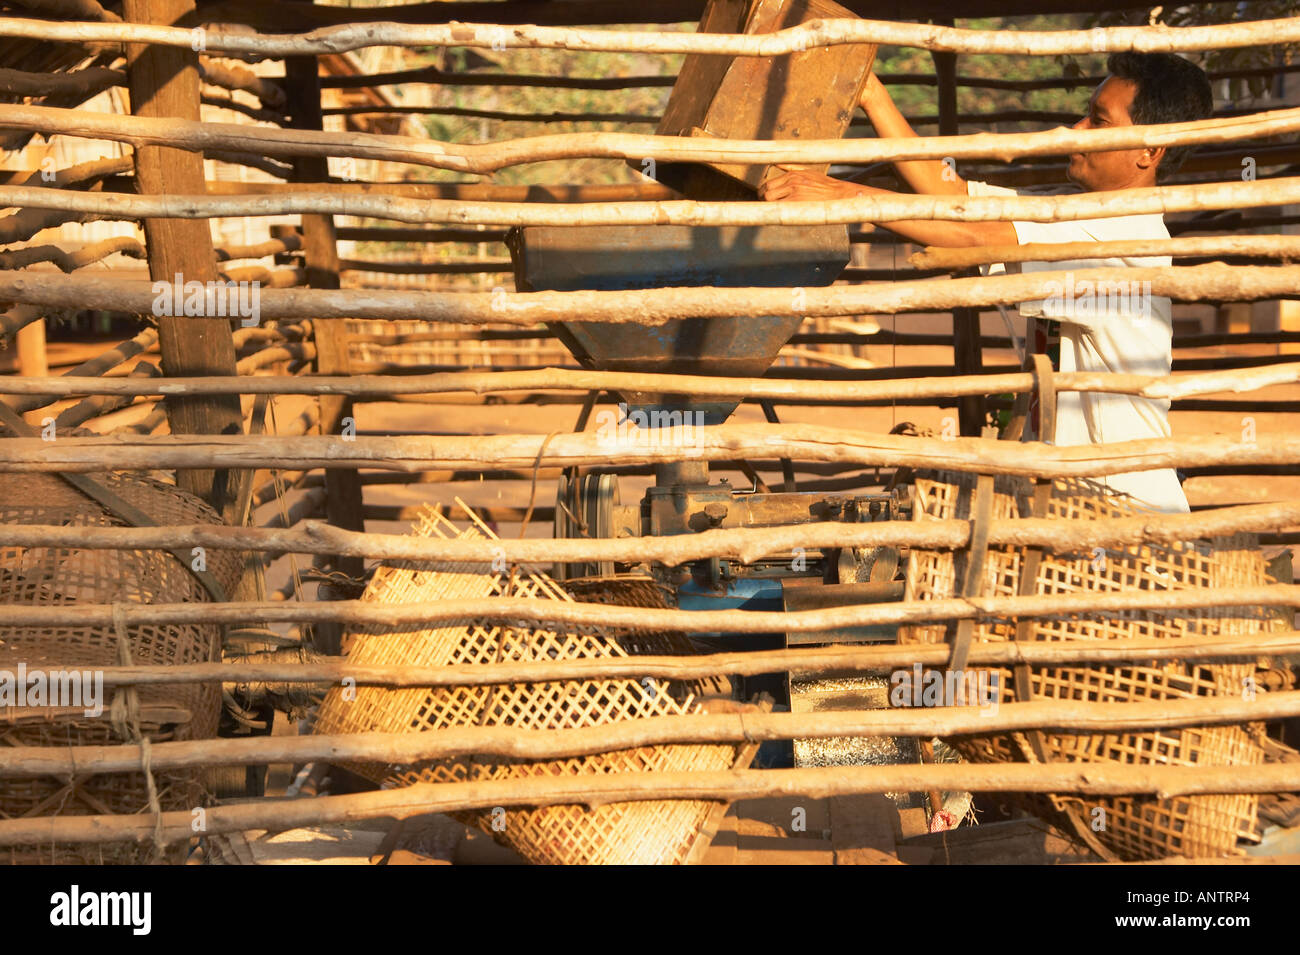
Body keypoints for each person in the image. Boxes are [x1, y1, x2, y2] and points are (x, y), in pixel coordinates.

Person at [758, 53, 1214, 514]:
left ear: (1148, 151)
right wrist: (873, 96)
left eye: (1098, 121)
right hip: (1069, 504)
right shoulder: (1079, 208)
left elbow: (974, 236)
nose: (1076, 130)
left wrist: (844, 195)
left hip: (1123, 510)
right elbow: (954, 197)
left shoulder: (1124, 239)